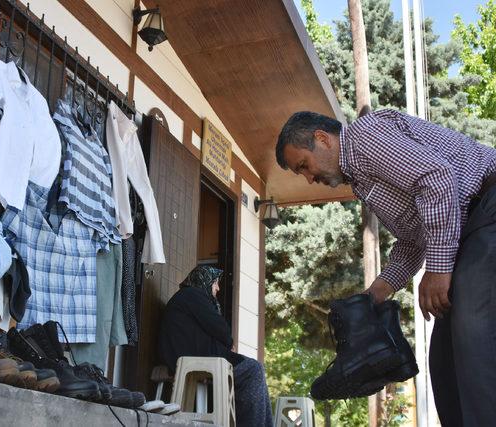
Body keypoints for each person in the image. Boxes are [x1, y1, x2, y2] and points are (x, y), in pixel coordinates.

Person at [276, 109, 496, 426]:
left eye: (304, 166)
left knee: (475, 341)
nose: (310, 178)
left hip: (488, 210)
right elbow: (412, 240)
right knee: (445, 361)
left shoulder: (364, 138)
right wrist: (375, 294)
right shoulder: (362, 181)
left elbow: (437, 180)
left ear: (322, 139)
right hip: (469, 233)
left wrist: (437, 270)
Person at [159, 266, 273, 427]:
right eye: (215, 283)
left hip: (188, 357)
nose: (218, 288)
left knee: (253, 370)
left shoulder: (185, 298)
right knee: (253, 370)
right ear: (205, 281)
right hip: (196, 360)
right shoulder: (193, 295)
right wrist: (229, 342)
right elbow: (220, 329)